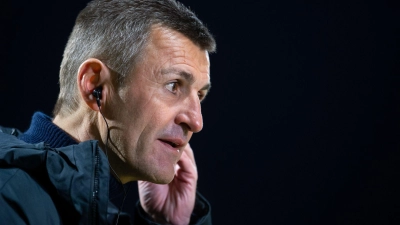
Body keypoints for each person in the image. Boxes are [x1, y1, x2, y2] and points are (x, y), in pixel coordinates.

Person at [0, 0, 216, 224]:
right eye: (173, 85)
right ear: (96, 86)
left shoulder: (94, 212)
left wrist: (167, 222)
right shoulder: (6, 199)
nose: (196, 121)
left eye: (199, 95)